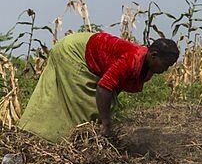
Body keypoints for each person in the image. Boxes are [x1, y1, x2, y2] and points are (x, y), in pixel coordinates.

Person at [17, 32, 179, 143]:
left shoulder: (145, 66)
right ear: (154, 55)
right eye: (165, 65)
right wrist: (107, 124)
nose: (166, 69)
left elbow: (115, 86)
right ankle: (58, 140)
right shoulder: (131, 59)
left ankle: (63, 137)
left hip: (85, 52)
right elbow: (104, 88)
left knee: (97, 106)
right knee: (86, 105)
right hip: (73, 52)